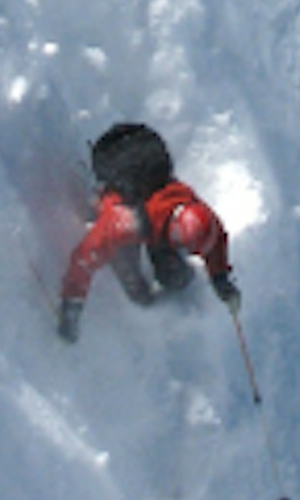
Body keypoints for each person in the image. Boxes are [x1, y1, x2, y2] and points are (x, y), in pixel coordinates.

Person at [58, 122, 240, 341]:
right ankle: (95, 194)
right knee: (135, 289)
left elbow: (214, 240)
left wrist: (220, 277)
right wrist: (72, 304)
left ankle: (166, 272)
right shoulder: (126, 222)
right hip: (112, 159)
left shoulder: (196, 210)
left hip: (143, 157)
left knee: (178, 277)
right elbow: (85, 258)